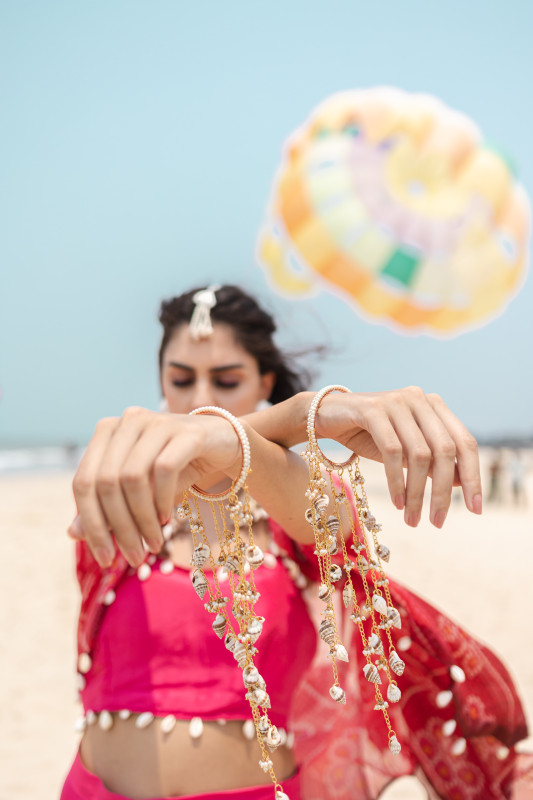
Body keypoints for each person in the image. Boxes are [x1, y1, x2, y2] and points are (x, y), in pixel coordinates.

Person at [61, 285, 530, 800]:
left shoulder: (292, 510)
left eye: (226, 380)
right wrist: (301, 414)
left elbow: (321, 515)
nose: (199, 400)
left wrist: (265, 430)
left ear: (263, 381)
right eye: (180, 379)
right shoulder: (127, 494)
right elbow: (191, 460)